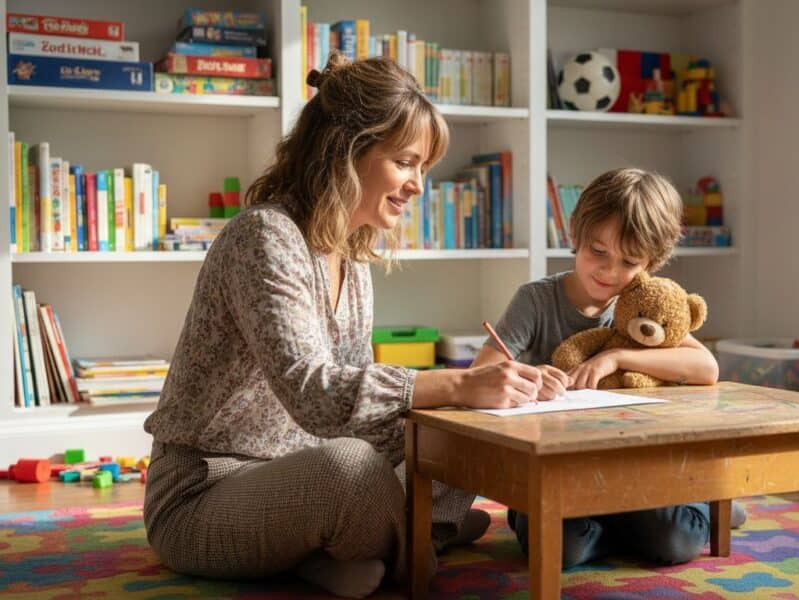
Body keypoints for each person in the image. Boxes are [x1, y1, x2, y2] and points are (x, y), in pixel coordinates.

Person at [142, 52, 545, 599]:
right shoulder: (264, 237)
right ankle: (422, 536)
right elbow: (317, 397)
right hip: (204, 491)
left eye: (423, 168)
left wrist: (473, 409)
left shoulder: (351, 261)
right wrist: (456, 384)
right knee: (348, 468)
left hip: (302, 476)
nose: (418, 186)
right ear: (345, 151)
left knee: (458, 435)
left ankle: (361, 545)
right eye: (405, 163)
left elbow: (359, 414)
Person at [471, 167, 745, 569]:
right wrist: (529, 378)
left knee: (675, 542)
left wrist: (615, 357)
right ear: (575, 236)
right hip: (558, 475)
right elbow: (481, 376)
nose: (609, 272)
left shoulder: (642, 306)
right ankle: (634, 527)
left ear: (651, 262)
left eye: (629, 261)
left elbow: (706, 366)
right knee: (559, 550)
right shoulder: (535, 301)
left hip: (634, 473)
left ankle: (704, 502)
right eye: (598, 252)